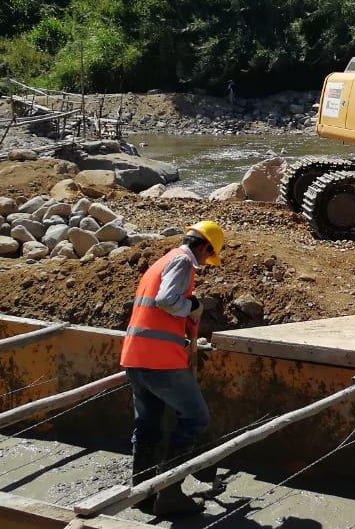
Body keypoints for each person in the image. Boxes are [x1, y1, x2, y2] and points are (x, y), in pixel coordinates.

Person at [120, 220, 226, 516]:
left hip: (135, 357)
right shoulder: (182, 261)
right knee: (195, 416)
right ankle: (170, 491)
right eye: (209, 255)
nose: (205, 263)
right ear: (204, 246)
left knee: (148, 427)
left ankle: (141, 494)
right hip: (159, 361)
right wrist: (191, 307)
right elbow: (166, 299)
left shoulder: (161, 261)